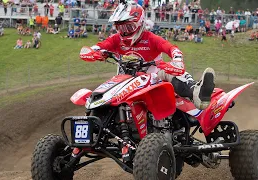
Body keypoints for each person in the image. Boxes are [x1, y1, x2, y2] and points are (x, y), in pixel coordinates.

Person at [79, 2, 215, 110]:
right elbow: (99, 46)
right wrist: (91, 52)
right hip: (125, 82)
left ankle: (197, 93)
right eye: (120, 28)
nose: (124, 32)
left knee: (166, 71)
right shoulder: (116, 39)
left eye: (128, 28)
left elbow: (171, 48)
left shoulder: (151, 38)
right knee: (107, 89)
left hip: (154, 80)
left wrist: (177, 60)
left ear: (139, 24)